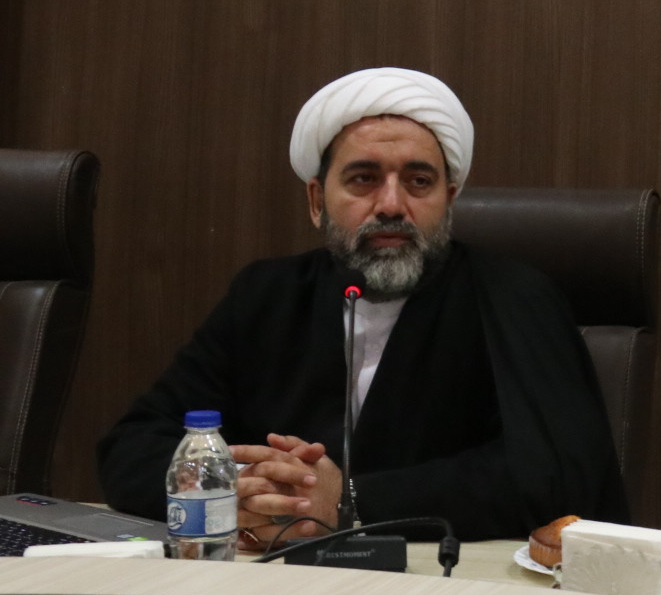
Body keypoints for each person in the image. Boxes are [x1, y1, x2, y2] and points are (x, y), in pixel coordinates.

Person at [98, 67, 627, 545]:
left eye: (419, 181)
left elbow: (558, 474)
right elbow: (135, 443)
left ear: (449, 199)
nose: (392, 205)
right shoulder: (267, 295)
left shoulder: (513, 296)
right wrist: (235, 490)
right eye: (364, 179)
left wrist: (349, 501)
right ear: (316, 201)